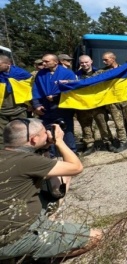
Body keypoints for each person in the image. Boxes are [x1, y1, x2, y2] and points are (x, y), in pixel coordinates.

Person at [0, 119, 102, 259]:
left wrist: (45, 148)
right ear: (34, 139)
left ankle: (47, 225)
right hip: (14, 238)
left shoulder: (8, 156)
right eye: (44, 132)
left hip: (8, 222)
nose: (47, 133)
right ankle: (34, 256)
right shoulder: (27, 161)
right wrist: (59, 141)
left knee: (62, 176)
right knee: (95, 236)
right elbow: (76, 167)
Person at [31, 54, 77, 155]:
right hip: (46, 107)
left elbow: (72, 90)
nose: (43, 63)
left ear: (55, 62)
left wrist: (56, 97)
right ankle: (51, 154)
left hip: (62, 106)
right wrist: (36, 104)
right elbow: (36, 89)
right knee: (48, 130)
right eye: (43, 61)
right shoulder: (40, 74)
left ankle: (71, 151)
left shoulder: (67, 73)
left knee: (66, 129)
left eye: (46, 61)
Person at [97, 52, 127, 153]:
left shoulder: (125, 69)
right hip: (112, 102)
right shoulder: (102, 72)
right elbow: (90, 80)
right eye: (103, 60)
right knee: (118, 124)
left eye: (106, 59)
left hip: (126, 99)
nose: (104, 62)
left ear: (113, 58)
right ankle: (123, 143)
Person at [72, 55, 113, 154]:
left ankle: (108, 143)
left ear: (91, 61)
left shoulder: (99, 73)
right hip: (82, 106)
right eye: (82, 63)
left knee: (103, 125)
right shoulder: (75, 75)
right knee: (85, 126)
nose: (84, 64)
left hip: (98, 105)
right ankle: (89, 145)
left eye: (86, 62)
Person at [0, 55, 31, 147]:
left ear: (8, 64)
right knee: (1, 134)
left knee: (21, 132)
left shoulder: (22, 74)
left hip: (19, 109)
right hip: (2, 111)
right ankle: (3, 153)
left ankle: (22, 152)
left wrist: (31, 104)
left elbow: (30, 89)